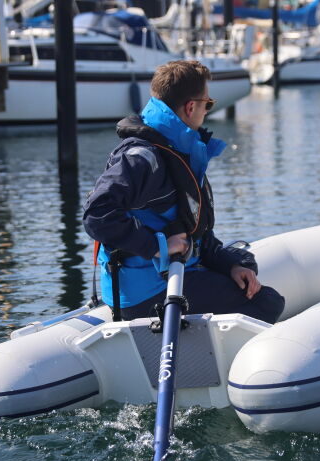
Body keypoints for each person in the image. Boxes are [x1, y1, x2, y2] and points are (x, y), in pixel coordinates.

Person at [83, 60, 285, 323]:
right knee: (267, 303)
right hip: (148, 292)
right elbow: (96, 215)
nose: (206, 112)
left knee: (245, 265)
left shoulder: (176, 149)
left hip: (172, 275)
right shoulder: (143, 158)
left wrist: (230, 265)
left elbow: (195, 233)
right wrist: (158, 247)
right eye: (207, 104)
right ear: (191, 107)